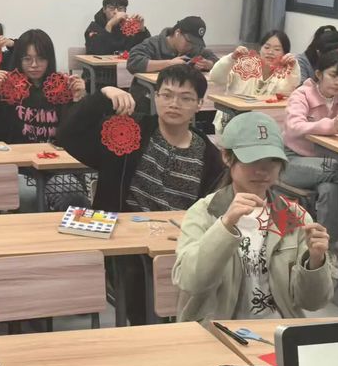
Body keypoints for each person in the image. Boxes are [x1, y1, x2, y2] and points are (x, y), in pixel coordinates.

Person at [56, 64, 225, 324]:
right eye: (167, 95)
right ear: (156, 97)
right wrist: (102, 96)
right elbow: (67, 136)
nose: (174, 104)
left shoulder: (209, 157)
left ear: (200, 104)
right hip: (126, 245)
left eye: (185, 98)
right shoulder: (129, 131)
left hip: (178, 246)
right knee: (140, 286)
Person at [173, 112, 333, 322]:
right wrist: (225, 226)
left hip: (276, 329)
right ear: (227, 157)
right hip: (217, 331)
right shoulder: (205, 212)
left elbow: (313, 303)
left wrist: (315, 261)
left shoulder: (292, 216)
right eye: (252, 160)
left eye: (273, 161)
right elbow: (190, 282)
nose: (263, 171)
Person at [282, 52, 338, 252]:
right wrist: (330, 125)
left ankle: (327, 250)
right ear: (318, 74)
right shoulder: (302, 94)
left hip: (328, 164)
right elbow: (294, 126)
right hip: (292, 161)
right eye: (333, 75)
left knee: (330, 190)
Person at [0, 29, 85, 143]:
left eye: (41, 58)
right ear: (19, 60)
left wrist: (77, 100)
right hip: (17, 152)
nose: (34, 65)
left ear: (49, 60)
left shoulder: (61, 88)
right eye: (27, 59)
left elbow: (75, 137)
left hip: (52, 153)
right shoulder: (8, 87)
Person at [209, 30, 299, 133]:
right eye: (266, 47)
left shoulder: (284, 72)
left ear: (285, 54)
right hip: (230, 124)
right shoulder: (245, 64)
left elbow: (285, 92)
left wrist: (293, 68)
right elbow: (216, 78)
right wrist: (231, 58)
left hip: (263, 130)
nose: (270, 52)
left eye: (277, 49)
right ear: (260, 49)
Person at [127, 16, 218, 74]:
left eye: (195, 43)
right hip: (150, 93)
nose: (191, 46)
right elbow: (133, 62)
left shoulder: (194, 48)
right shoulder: (154, 43)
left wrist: (209, 64)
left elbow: (216, 61)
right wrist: (169, 64)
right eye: (189, 41)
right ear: (177, 32)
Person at [84, 0, 151, 55]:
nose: (116, 12)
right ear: (104, 9)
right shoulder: (94, 27)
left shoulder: (127, 28)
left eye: (120, 8)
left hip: (124, 63)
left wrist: (141, 30)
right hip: (101, 64)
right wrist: (109, 25)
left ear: (125, 11)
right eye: (111, 8)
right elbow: (96, 51)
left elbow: (147, 50)